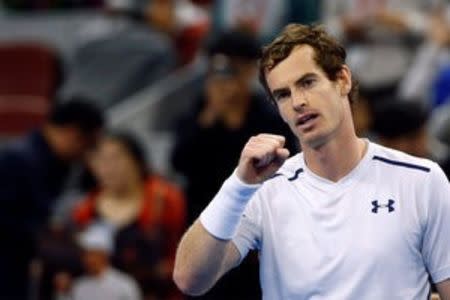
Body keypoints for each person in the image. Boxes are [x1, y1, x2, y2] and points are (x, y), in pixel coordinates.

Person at [172, 24, 450, 299]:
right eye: (282, 94)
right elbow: (189, 279)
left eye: (307, 82)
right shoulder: (263, 191)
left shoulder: (422, 180)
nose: (297, 102)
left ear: (342, 79)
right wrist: (238, 185)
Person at [0, 99, 104, 300]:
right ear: (74, 134)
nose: (85, 155)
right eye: (88, 146)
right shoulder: (19, 161)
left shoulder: (53, 162)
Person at [72, 131, 186, 299]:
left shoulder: (165, 199)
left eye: (115, 158)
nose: (107, 168)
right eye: (100, 160)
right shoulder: (84, 210)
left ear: (137, 161)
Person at [60, 223, 142, 300]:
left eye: (91, 254)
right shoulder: (78, 286)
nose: (87, 259)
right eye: (84, 254)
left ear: (104, 255)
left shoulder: (125, 285)